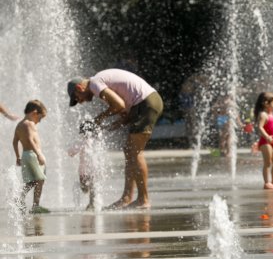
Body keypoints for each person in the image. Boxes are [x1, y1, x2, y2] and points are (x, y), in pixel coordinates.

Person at [67, 68, 163, 209]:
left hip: (146, 103)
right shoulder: (100, 82)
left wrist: (97, 120)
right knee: (129, 150)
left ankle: (143, 199)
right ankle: (127, 198)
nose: (80, 102)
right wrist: (109, 127)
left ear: (79, 87)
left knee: (135, 152)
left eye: (77, 98)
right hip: (144, 103)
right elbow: (123, 111)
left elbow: (118, 105)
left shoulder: (95, 83)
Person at [12, 100, 49, 214]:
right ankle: (35, 206)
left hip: (25, 155)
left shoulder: (19, 125)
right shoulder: (29, 123)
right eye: (40, 118)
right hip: (33, 155)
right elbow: (29, 140)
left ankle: (19, 198)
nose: (39, 121)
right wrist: (39, 155)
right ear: (34, 113)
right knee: (40, 180)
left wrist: (18, 157)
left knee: (32, 181)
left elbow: (14, 142)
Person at [254, 92, 273, 190]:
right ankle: (266, 183)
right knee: (267, 163)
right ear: (266, 103)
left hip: (272, 142)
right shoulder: (263, 115)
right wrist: (267, 136)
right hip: (265, 142)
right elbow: (260, 127)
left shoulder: (270, 114)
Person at [67, 121, 101, 210]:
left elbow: (71, 153)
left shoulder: (86, 141)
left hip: (88, 168)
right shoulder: (89, 141)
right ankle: (90, 201)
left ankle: (91, 203)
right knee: (89, 186)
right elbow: (72, 153)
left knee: (88, 186)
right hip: (89, 168)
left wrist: (70, 151)